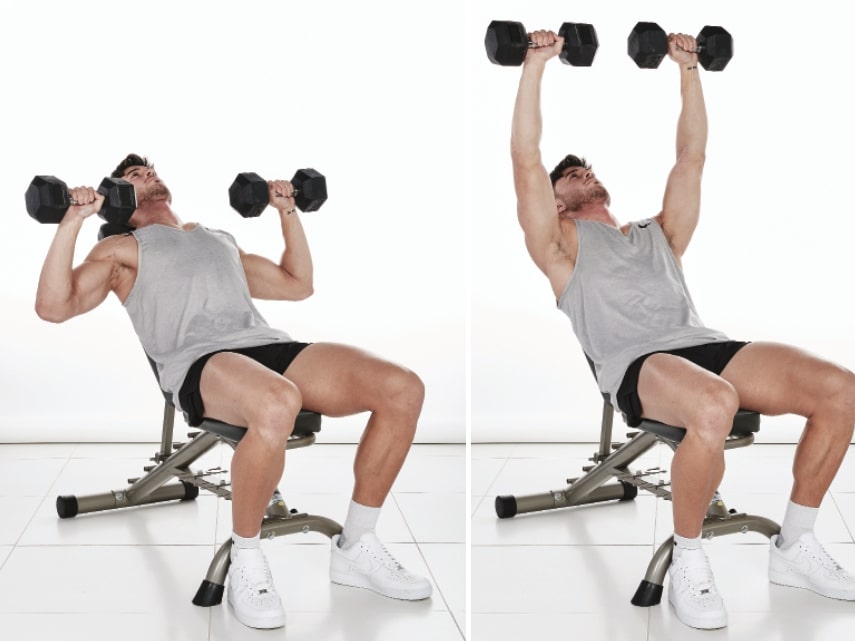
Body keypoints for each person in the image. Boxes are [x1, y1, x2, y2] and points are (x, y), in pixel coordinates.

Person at [508, 29, 855, 630]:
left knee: (841, 390)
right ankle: (690, 560)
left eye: (586, 167)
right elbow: (525, 159)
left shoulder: (658, 234)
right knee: (715, 403)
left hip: (704, 344)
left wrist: (688, 69)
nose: (582, 172)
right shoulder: (560, 246)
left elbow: (691, 157)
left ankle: (794, 545)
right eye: (570, 174)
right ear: (555, 200)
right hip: (639, 365)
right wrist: (536, 64)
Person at [34, 154, 433, 630]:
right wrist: (71, 222)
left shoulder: (216, 238)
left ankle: (357, 545)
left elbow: (297, 284)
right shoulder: (121, 250)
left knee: (402, 388)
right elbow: (53, 307)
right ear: (116, 199)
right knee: (277, 399)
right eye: (135, 178)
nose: (151, 178)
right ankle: (247, 558)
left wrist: (287, 211)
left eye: (152, 171)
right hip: (201, 363)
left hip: (269, 349)